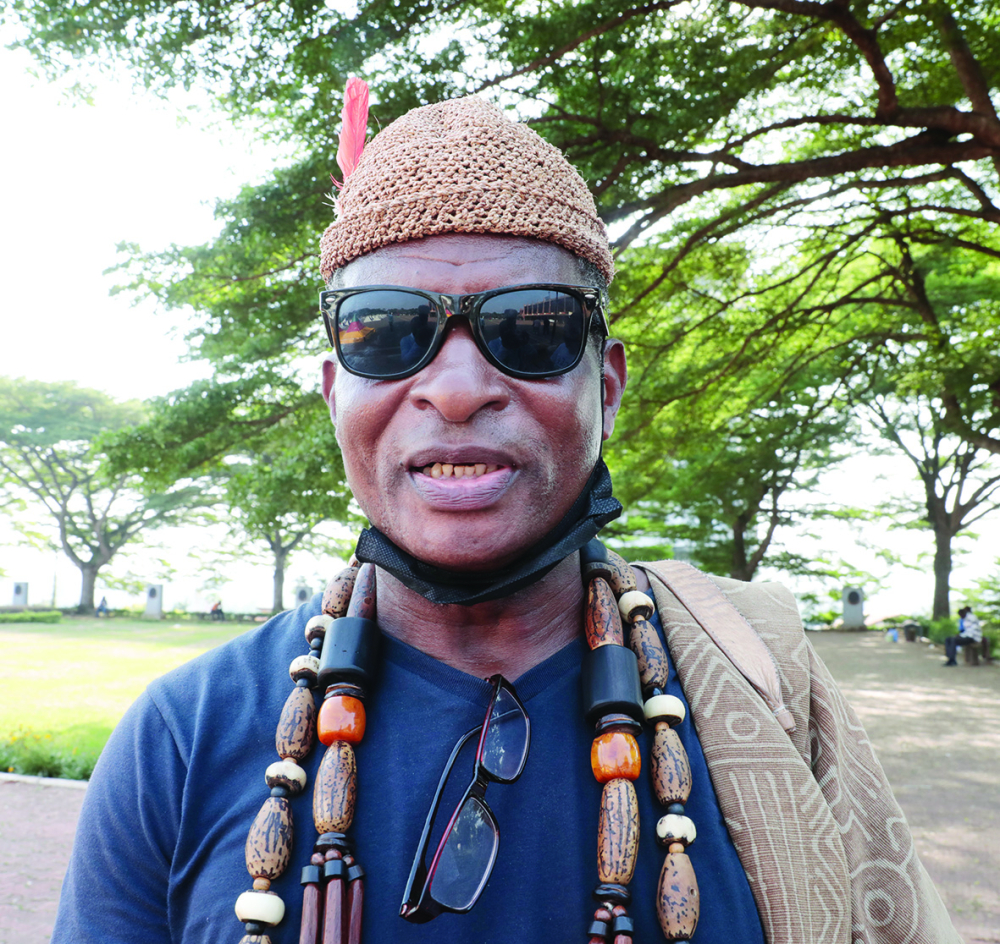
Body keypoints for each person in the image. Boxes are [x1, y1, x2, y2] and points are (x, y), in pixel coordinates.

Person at [53, 95, 961, 944]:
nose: (455, 391)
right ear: (336, 392)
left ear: (604, 385)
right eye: (384, 332)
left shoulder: (761, 684)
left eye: (532, 331)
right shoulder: (184, 734)